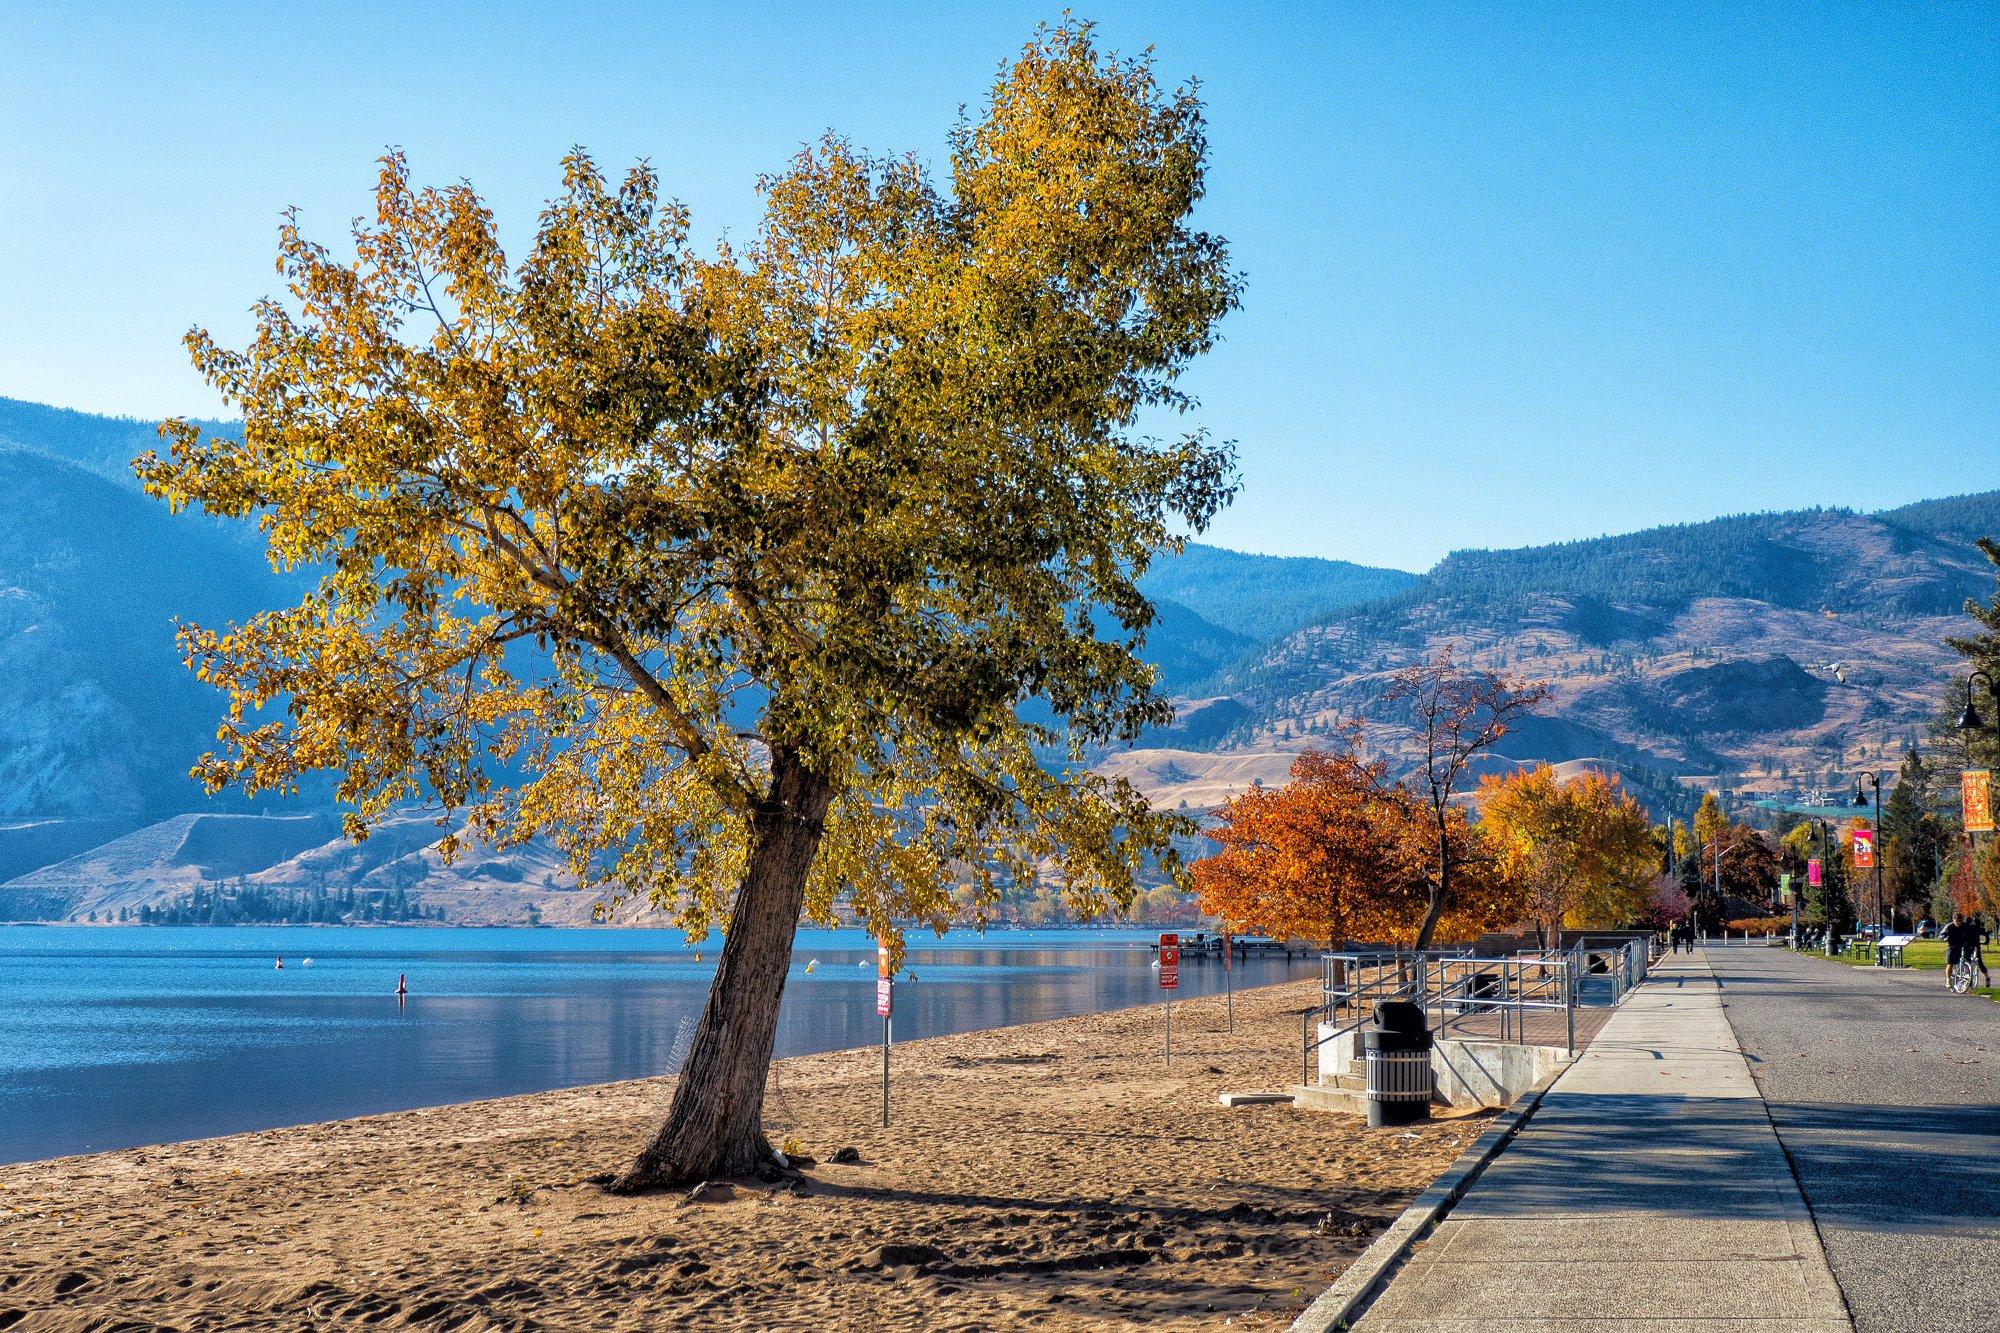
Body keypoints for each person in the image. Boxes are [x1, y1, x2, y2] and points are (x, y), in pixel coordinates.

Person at [1942, 913, 1990, 989]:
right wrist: (1946, 938)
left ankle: (1969, 980)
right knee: (1951, 964)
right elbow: (1942, 935)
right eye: (1957, 921)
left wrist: (1973, 943)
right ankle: (1949, 979)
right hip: (1957, 946)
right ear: (1953, 920)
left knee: (1968, 961)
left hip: (1965, 946)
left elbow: (1970, 936)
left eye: (1960, 921)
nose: (1959, 923)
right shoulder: (1950, 926)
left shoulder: (1966, 926)